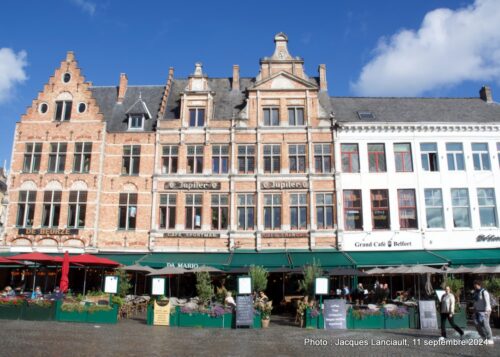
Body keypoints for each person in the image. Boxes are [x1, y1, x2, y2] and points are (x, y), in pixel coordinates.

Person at [472, 280, 494, 345]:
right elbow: (475, 302)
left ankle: (490, 338)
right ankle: (484, 337)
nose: (475, 286)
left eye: (475, 285)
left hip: (485, 311)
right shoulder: (476, 293)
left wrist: (487, 311)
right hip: (478, 311)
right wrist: (474, 309)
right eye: (474, 285)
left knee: (486, 325)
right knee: (477, 324)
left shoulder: (484, 292)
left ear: (479, 285)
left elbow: (487, 302)